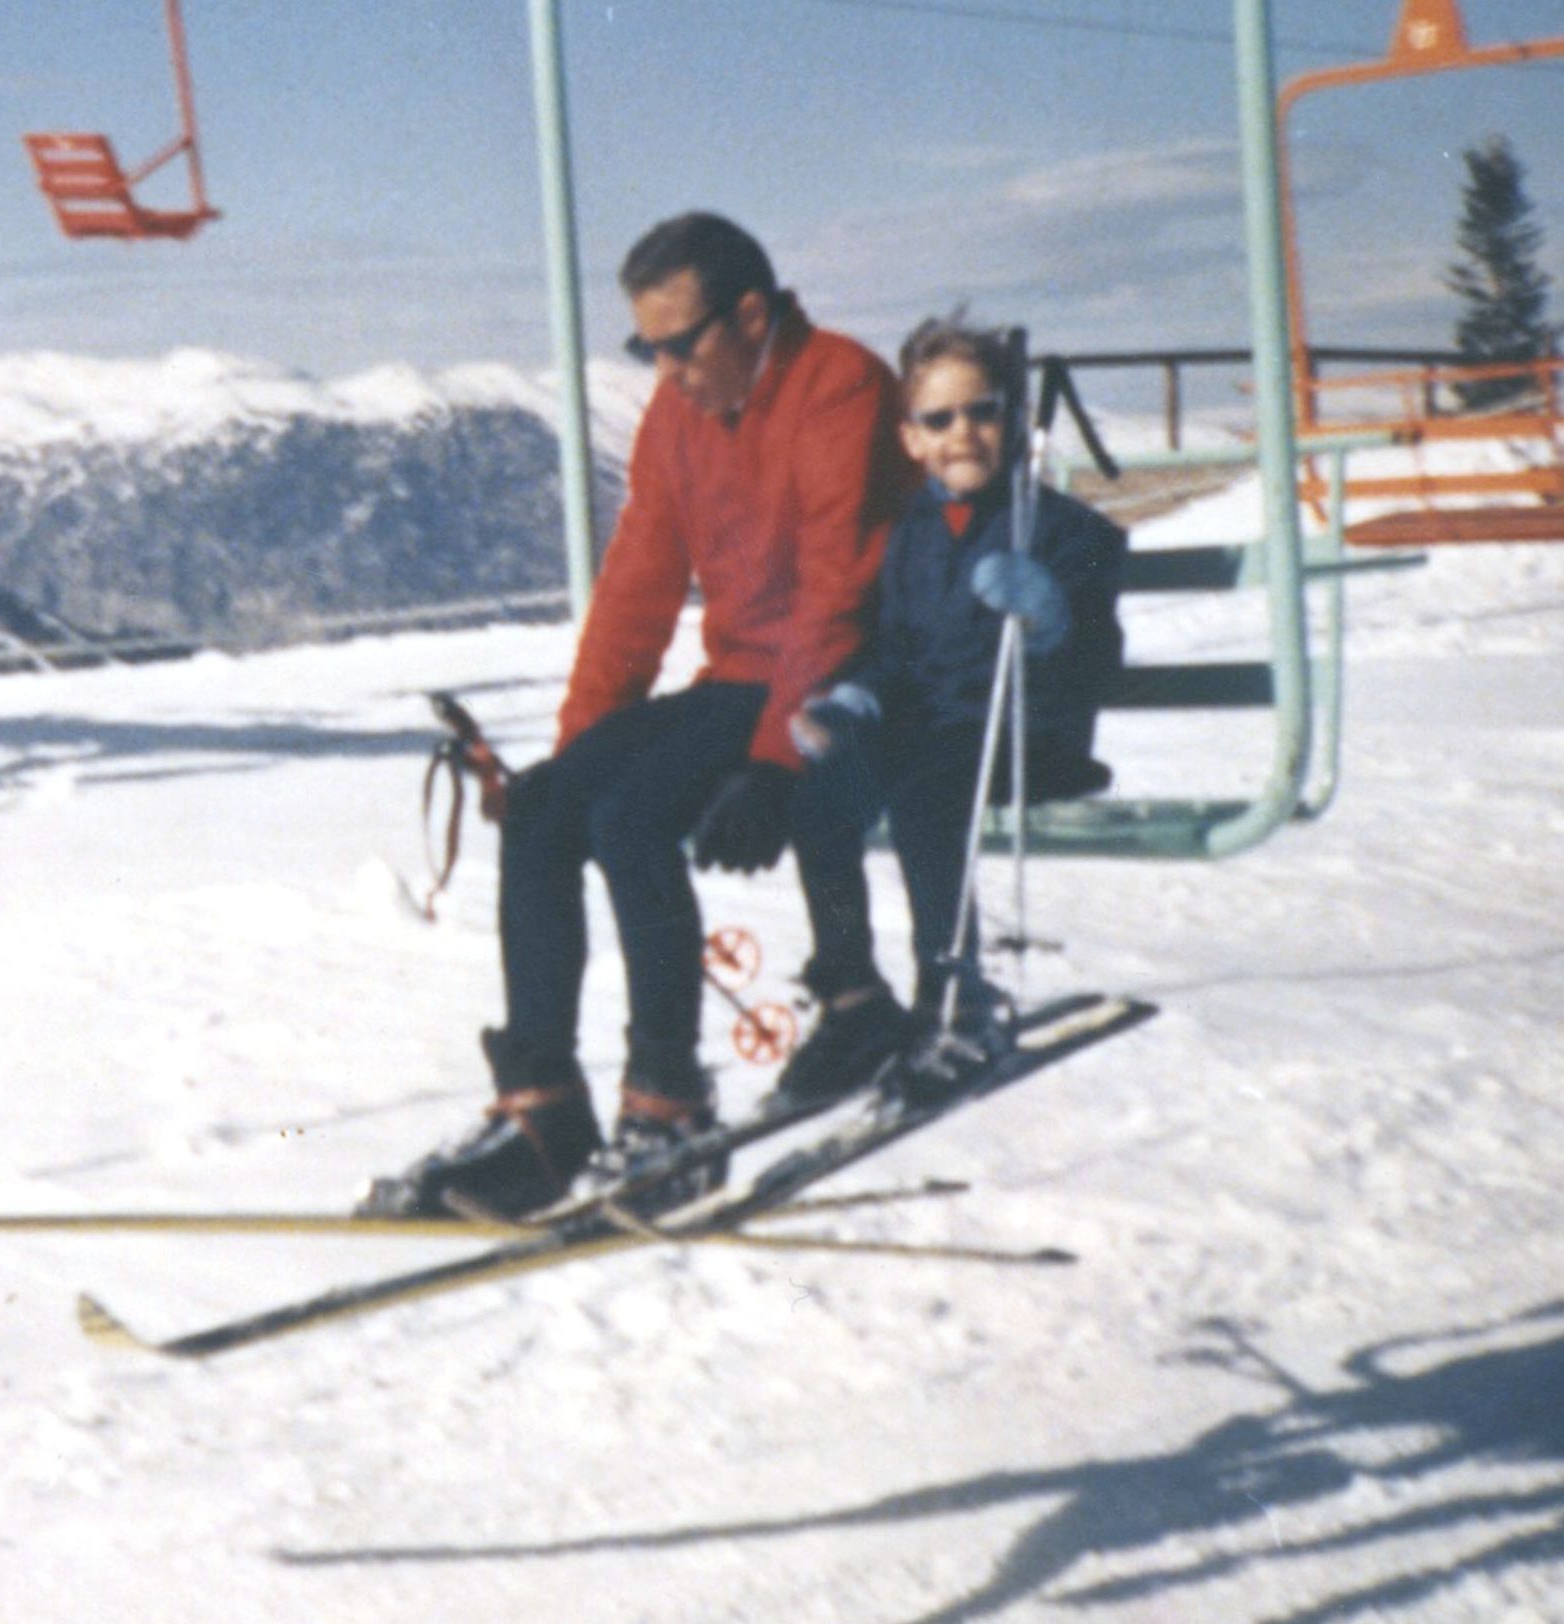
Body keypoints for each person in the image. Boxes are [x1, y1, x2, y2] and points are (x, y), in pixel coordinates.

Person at [365, 212, 913, 1222]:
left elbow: (839, 589)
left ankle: (672, 1109)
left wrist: (775, 761)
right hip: (746, 679)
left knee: (632, 819)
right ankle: (544, 1113)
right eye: (644, 347)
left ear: (751, 316)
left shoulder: (839, 384)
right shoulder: (677, 419)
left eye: (679, 343)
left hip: (847, 679)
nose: (663, 369)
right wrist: (575, 755)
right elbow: (638, 589)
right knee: (547, 813)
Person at [772, 312, 1129, 1105]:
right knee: (820, 794)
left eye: (982, 411)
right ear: (911, 438)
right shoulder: (911, 537)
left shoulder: (1065, 534)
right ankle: (852, 993)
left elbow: (1098, 659)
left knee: (927, 791)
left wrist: (1053, 624)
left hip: (1029, 735)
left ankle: (955, 998)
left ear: (1011, 419)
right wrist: (859, 696)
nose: (962, 433)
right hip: (935, 731)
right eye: (939, 419)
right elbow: (899, 650)